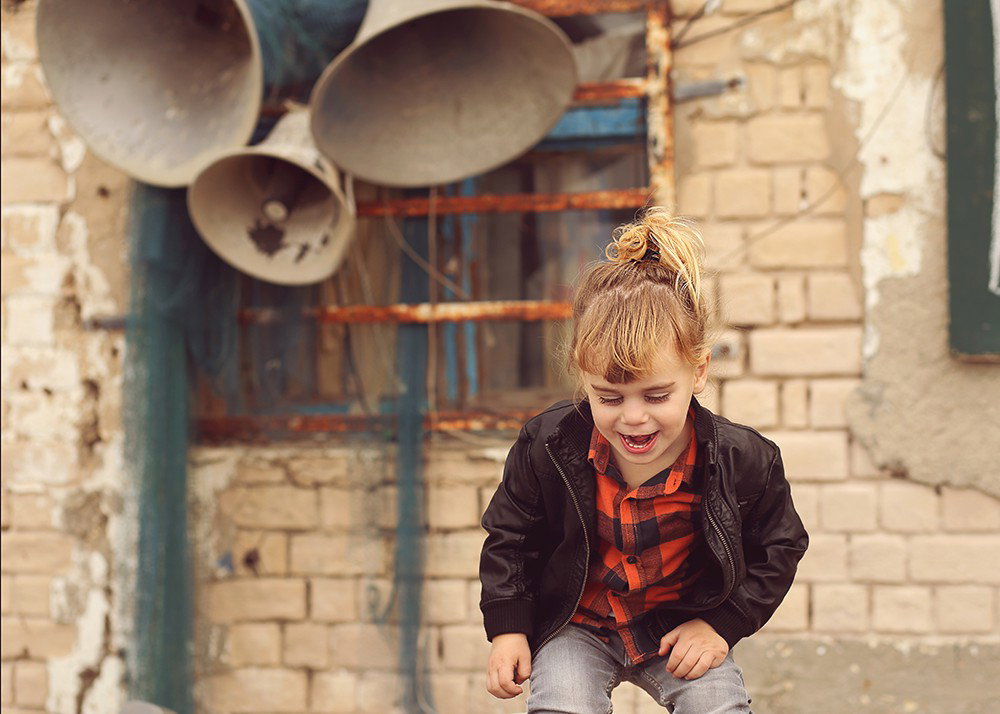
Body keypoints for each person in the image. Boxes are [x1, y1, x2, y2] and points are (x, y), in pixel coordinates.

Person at [478, 208, 809, 713]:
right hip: (578, 625)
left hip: (680, 626)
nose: (633, 418)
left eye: (656, 396)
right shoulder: (546, 445)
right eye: (608, 398)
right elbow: (511, 539)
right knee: (562, 706)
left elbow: (780, 546)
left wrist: (723, 625)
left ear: (698, 371)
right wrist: (509, 628)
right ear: (582, 377)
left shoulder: (745, 459)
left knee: (718, 707)